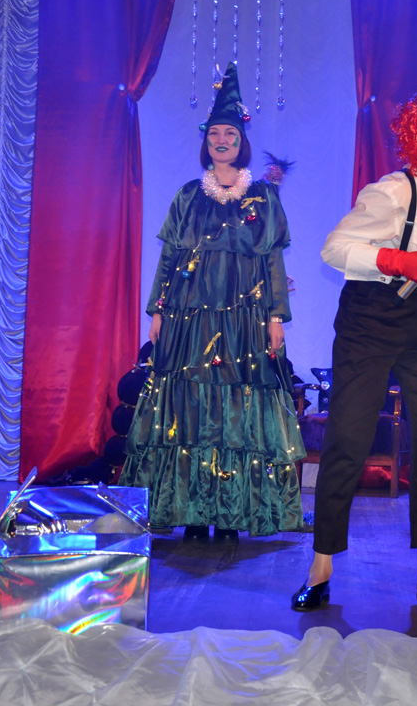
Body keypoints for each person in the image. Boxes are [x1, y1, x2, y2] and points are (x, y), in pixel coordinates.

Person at [291, 75, 417, 611]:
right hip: (372, 316)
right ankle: (320, 567)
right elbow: (334, 248)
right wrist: (395, 259)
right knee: (349, 438)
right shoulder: (393, 191)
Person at [120, 62, 305, 540]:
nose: (222, 140)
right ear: (206, 141)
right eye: (215, 134)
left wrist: (276, 317)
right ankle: (190, 510)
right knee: (188, 410)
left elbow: (272, 260)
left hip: (244, 321)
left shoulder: (263, 197)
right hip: (190, 319)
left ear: (242, 141)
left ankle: (230, 513)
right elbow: (170, 257)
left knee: (237, 408)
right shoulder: (188, 196)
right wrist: (158, 311)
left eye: (230, 133)